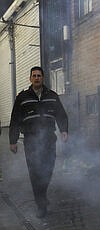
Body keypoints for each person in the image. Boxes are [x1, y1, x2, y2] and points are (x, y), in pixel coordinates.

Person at [9, 66, 69, 218]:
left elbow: (61, 114)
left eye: (39, 76)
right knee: (35, 173)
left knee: (48, 170)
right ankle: (41, 204)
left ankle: (42, 195)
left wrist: (64, 130)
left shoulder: (52, 96)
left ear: (43, 78)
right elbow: (15, 119)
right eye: (34, 76)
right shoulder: (23, 97)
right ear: (30, 78)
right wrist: (13, 140)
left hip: (49, 139)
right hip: (31, 140)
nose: (36, 78)